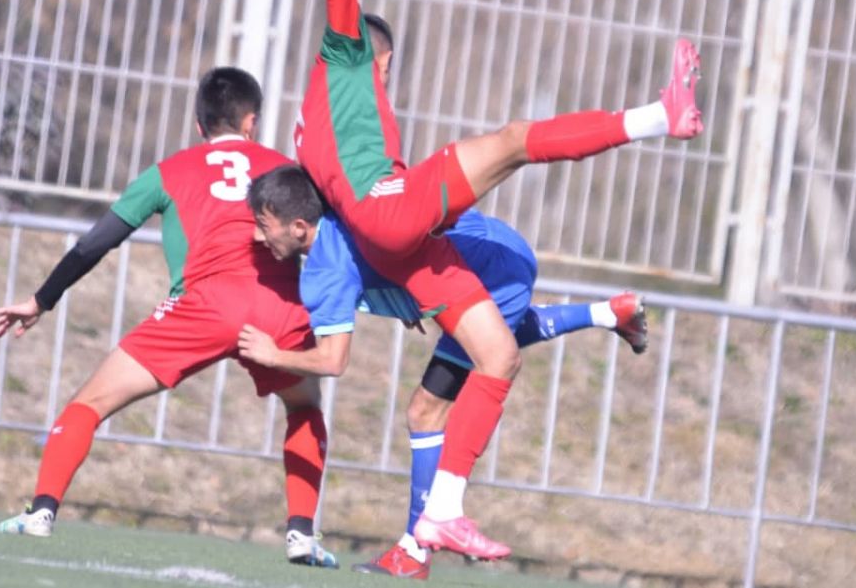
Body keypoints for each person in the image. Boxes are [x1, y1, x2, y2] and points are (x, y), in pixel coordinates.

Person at [293, 0, 702, 560]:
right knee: (515, 139)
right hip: (393, 213)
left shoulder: (340, 124)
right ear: (372, 52)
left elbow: (324, 203)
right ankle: (658, 115)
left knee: (498, 356)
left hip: (403, 243)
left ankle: (438, 517)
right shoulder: (346, 59)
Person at [0, 67, 338, 569]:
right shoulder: (285, 170)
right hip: (277, 310)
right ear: (252, 122)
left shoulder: (170, 171)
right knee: (304, 408)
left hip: (200, 308)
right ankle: (301, 534)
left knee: (89, 403)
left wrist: (42, 299)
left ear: (199, 126)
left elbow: (96, 242)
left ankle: (41, 511)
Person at [240, 164, 648, 578]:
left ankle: (415, 550)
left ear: (297, 226)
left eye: (263, 224)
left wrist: (274, 355)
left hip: (488, 273)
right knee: (498, 333)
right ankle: (608, 313)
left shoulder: (324, 270)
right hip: (497, 245)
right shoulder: (348, 200)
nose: (258, 236)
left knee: (426, 410)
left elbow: (332, 360)